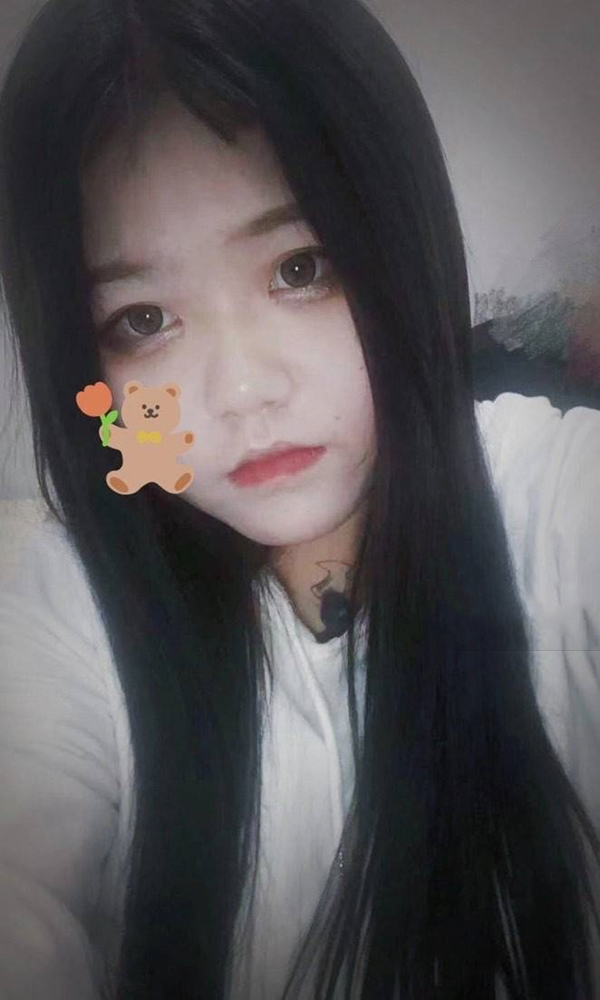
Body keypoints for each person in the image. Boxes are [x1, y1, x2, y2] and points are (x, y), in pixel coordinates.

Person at [0, 0, 598, 997]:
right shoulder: (67, 616)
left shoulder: (551, 503)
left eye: (300, 267)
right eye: (141, 319)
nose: (242, 391)